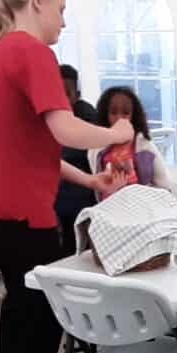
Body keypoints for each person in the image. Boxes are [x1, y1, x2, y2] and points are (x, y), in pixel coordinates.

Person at [0, 0, 134, 353]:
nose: (63, 21)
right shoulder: (31, 51)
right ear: (37, 2)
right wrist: (116, 133)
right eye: (60, 9)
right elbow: (65, 130)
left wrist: (90, 182)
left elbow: (28, 148)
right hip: (19, 215)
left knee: (22, 307)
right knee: (41, 314)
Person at [54, 63, 103, 255]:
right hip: (59, 196)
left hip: (82, 196)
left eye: (66, 93)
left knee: (81, 247)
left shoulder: (87, 117)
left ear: (77, 94)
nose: (61, 99)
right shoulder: (51, 117)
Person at [86, 85, 173, 192]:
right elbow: (96, 183)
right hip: (110, 200)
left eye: (126, 113)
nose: (119, 118)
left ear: (133, 115)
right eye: (113, 112)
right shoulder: (97, 147)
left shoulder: (144, 145)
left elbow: (164, 183)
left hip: (141, 199)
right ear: (105, 114)